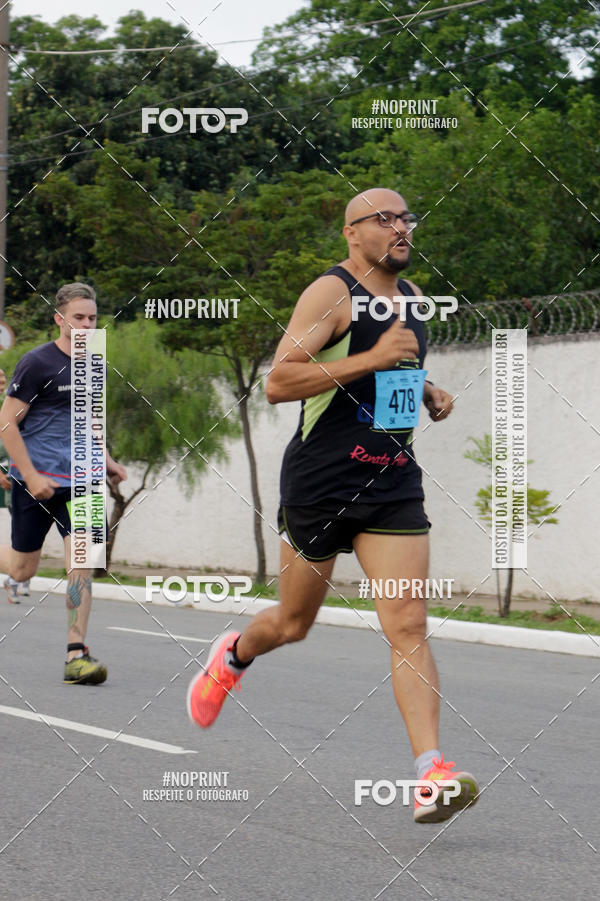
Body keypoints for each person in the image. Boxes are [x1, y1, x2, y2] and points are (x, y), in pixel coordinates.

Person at [187, 188, 479, 824]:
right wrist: (375, 357)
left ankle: (431, 773)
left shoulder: (414, 299)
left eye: (407, 216)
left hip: (392, 480)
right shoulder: (332, 294)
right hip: (321, 480)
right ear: (352, 233)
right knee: (294, 623)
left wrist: (423, 386)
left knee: (406, 622)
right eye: (386, 219)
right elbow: (278, 380)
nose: (402, 227)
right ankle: (233, 654)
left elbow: (386, 372)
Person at [0, 283, 127, 683]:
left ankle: (76, 652)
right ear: (59, 319)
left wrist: (106, 460)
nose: (86, 325)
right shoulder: (36, 363)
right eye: (78, 318)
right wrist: (32, 475)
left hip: (84, 482)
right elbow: (7, 423)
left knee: (82, 563)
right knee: (22, 570)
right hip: (37, 482)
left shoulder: (95, 363)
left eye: (92, 318)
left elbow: (90, 421)